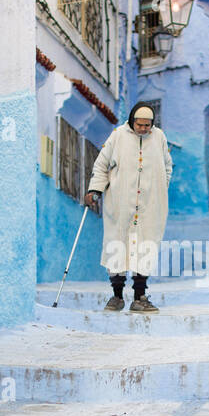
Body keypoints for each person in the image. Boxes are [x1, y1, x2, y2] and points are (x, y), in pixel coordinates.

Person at [85, 102, 173, 312]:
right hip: (120, 202)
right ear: (132, 121)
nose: (143, 129)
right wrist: (95, 189)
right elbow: (101, 165)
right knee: (117, 244)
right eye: (139, 124)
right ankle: (116, 297)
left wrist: (160, 187)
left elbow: (167, 165)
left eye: (147, 125)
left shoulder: (159, 137)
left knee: (146, 246)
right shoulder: (118, 136)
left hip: (150, 205)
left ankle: (140, 297)